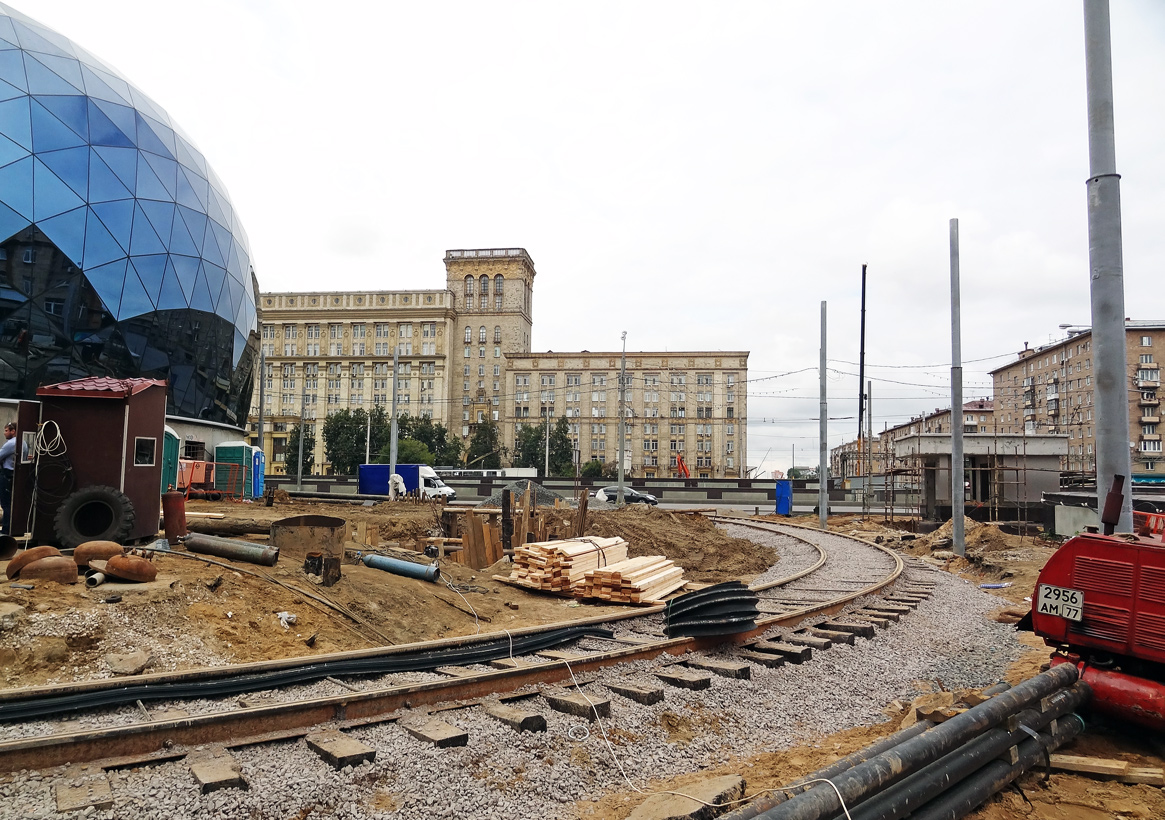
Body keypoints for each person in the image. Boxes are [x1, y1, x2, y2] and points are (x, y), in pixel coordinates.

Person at [0, 422, 14, 536]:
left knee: (6, 504)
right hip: (14, 475)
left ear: (12, 431)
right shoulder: (22, 442)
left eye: (6, 431)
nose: (4, 433)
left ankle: (5, 530)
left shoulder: (10, 444)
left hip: (7, 475)